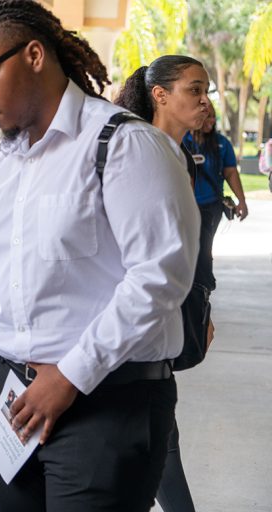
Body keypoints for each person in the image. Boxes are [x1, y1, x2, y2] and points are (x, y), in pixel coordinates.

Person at [0, 2, 200, 511]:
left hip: (108, 403)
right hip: (12, 406)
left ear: (35, 55)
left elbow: (160, 276)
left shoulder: (124, 143)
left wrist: (68, 376)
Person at [115, 55, 213, 512]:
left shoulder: (181, 156)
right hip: (130, 330)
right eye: (194, 89)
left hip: (165, 321)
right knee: (158, 444)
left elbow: (190, 248)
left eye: (205, 90)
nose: (204, 100)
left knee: (157, 442)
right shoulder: (136, 152)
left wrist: (200, 305)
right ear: (160, 95)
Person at [184, 101, 248, 289]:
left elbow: (230, 173)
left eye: (213, 116)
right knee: (189, 249)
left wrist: (241, 201)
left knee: (204, 248)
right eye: (207, 116)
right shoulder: (183, 140)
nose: (210, 120)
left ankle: (202, 288)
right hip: (186, 205)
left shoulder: (222, 143)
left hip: (211, 206)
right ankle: (195, 285)